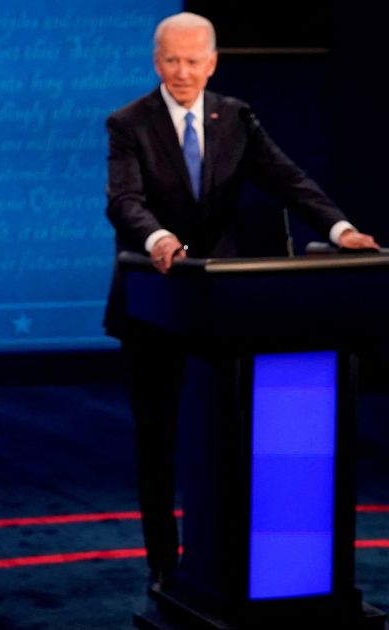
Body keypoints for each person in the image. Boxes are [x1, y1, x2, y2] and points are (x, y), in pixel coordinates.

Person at [103, 12, 378, 585]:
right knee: (157, 443)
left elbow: (287, 179)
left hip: (223, 310)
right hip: (153, 303)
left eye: (194, 60)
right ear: (157, 62)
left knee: (225, 438)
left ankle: (224, 560)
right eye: (172, 60)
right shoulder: (128, 123)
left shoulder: (236, 117)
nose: (183, 72)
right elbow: (123, 201)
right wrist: (157, 238)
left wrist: (340, 230)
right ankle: (163, 565)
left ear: (213, 62)